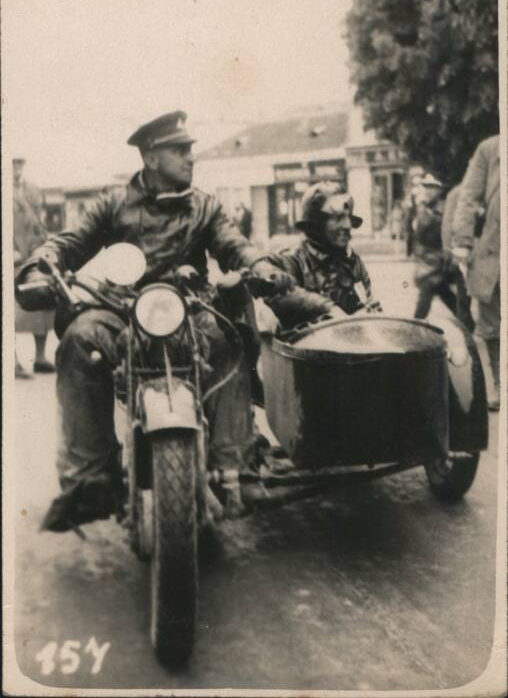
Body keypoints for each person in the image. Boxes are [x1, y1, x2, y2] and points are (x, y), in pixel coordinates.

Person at [16, 111, 293, 530]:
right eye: (179, 150)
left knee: (229, 340)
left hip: (188, 308)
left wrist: (262, 265)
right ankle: (91, 479)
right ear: (150, 158)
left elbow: (235, 245)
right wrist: (43, 265)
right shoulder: (113, 203)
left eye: (190, 150)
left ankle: (236, 467)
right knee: (78, 339)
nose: (190, 158)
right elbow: (70, 242)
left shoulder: (204, 206)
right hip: (124, 309)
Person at [265, 182, 381, 330]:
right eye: (338, 218)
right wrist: (327, 308)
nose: (347, 225)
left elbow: (366, 303)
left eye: (348, 217)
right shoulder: (291, 261)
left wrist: (370, 312)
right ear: (317, 224)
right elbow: (276, 293)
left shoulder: (352, 262)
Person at [451, 134, 500, 412]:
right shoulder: (490, 149)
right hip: (495, 253)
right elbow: (468, 197)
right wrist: (462, 243)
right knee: (493, 325)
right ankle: (501, 385)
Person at [13, 157, 55, 378]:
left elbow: (40, 222)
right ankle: (11, 361)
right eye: (12, 163)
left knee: (43, 299)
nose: (16, 169)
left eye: (20, 164)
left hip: (33, 253)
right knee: (9, 310)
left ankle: (40, 357)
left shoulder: (32, 190)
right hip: (12, 256)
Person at [412, 172, 458, 320]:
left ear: (439, 191)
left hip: (438, 262)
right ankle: (470, 325)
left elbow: (450, 235)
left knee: (424, 301)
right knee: (448, 297)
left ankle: (414, 330)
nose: (427, 191)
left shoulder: (444, 210)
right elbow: (418, 235)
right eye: (425, 187)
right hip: (426, 262)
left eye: (432, 187)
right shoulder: (423, 209)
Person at [441, 183, 475, 332]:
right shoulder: (457, 193)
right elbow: (448, 224)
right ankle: (467, 330)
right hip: (464, 251)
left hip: (481, 251)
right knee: (464, 298)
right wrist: (449, 250)